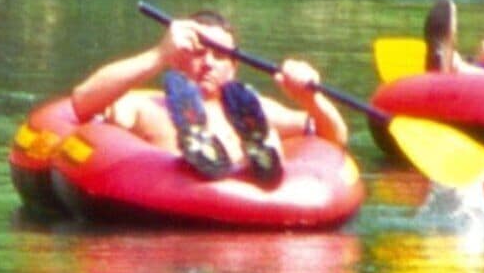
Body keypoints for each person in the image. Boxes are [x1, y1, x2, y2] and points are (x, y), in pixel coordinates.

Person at [61, 12, 346, 183]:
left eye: (220, 56)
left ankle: (259, 157)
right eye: (198, 53)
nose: (208, 63)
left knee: (265, 131)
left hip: (243, 197)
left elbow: (333, 138)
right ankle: (198, 151)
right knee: (195, 131)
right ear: (177, 58)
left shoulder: (255, 109)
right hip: (168, 192)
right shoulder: (144, 106)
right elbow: (83, 103)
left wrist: (310, 98)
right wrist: (159, 54)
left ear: (233, 67)